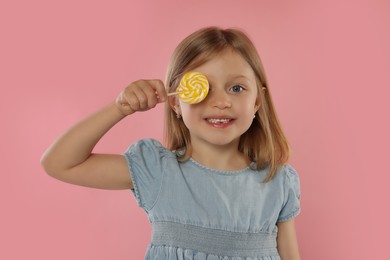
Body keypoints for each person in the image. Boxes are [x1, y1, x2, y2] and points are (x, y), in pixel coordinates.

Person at [41, 26, 301, 260]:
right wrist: (120, 108)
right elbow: (59, 163)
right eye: (204, 88)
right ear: (176, 101)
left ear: (257, 101)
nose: (221, 101)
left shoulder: (277, 182)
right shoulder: (158, 171)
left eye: (236, 89)